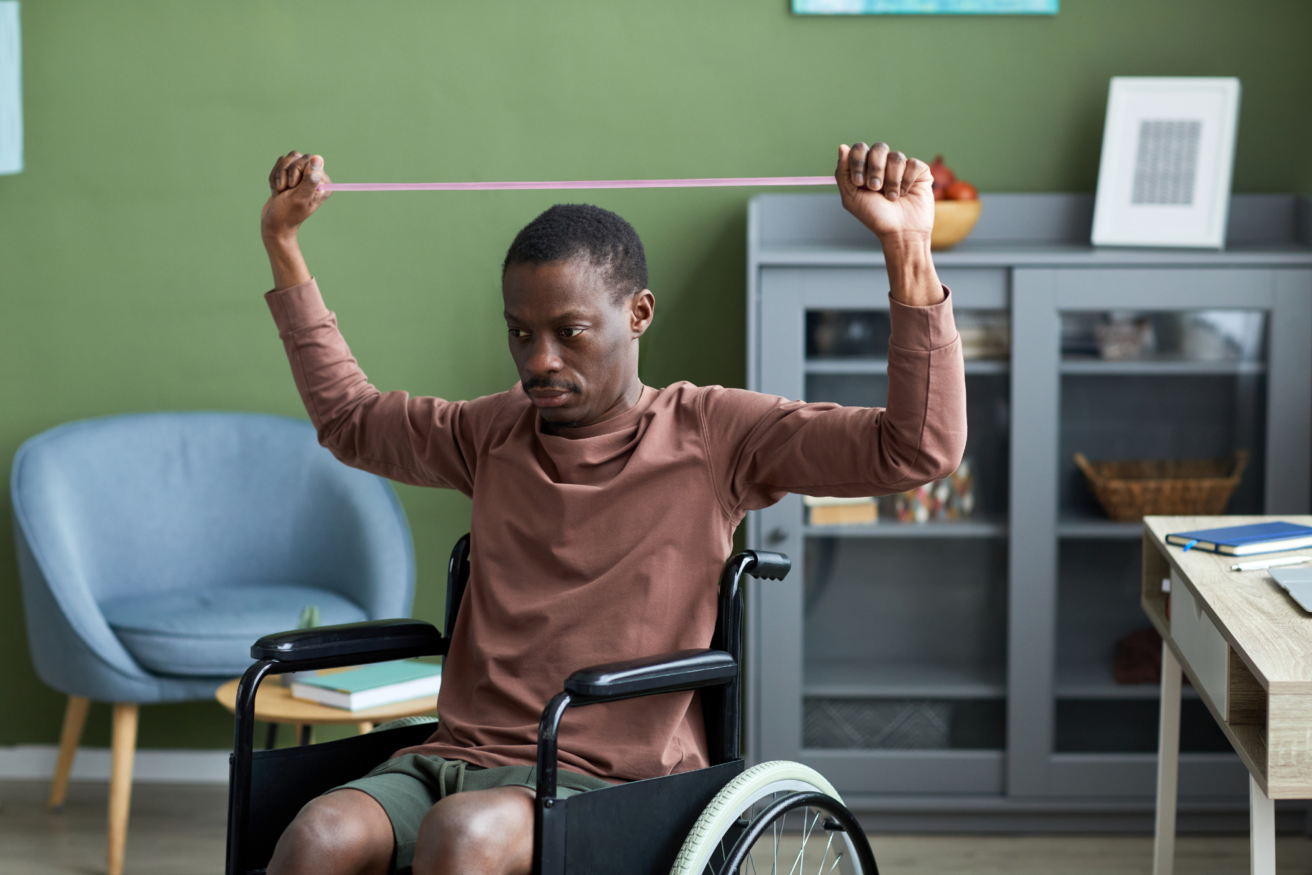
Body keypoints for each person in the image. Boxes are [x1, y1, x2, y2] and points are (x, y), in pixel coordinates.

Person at [258, 144, 966, 875]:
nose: (538, 361)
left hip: (607, 778)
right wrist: (284, 242)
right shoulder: (490, 432)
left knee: (462, 837)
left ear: (638, 315)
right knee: (320, 835)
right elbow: (349, 419)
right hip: (453, 759)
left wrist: (907, 246)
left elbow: (915, 450)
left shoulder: (714, 433)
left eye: (569, 332)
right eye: (520, 332)